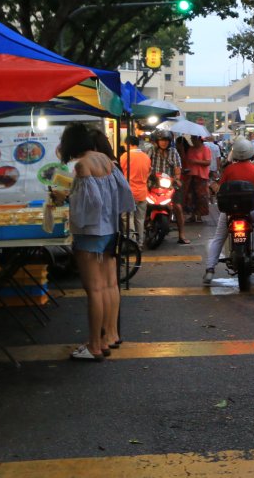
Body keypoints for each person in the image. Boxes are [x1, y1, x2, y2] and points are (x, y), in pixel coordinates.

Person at [50, 122, 135, 361]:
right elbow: (120, 193)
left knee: (94, 289)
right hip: (110, 229)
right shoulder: (105, 159)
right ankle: (109, 336)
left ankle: (94, 346)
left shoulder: (82, 165)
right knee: (109, 285)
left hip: (90, 233)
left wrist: (64, 199)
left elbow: (89, 204)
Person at [203, 138, 254, 285]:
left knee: (219, 238)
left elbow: (220, 188)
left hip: (229, 212)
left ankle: (209, 270)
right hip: (252, 209)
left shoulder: (228, 170)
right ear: (251, 153)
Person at [147, 130, 186, 244]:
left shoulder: (173, 152)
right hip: (153, 184)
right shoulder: (151, 151)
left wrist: (177, 179)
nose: (163, 143)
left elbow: (177, 169)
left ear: (169, 142)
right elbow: (146, 163)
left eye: (166, 140)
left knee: (178, 207)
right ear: (157, 141)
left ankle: (181, 234)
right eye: (161, 140)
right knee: (142, 203)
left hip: (169, 185)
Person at [118, 135, 151, 247]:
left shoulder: (124, 156)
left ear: (129, 144)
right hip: (142, 193)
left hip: (129, 193)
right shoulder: (146, 157)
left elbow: (120, 173)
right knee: (140, 219)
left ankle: (132, 243)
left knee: (128, 218)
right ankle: (140, 243)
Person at [182, 134, 212, 224]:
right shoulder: (191, 149)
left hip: (201, 176)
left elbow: (208, 162)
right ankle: (192, 215)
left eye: (193, 139)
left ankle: (199, 215)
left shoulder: (205, 149)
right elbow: (187, 160)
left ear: (199, 139)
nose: (192, 140)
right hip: (191, 175)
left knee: (201, 197)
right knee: (190, 196)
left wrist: (195, 161)